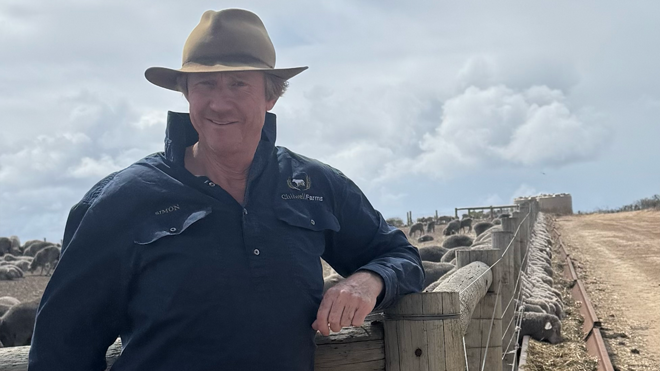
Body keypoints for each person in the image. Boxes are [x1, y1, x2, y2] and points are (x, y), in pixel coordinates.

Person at [28, 8, 424, 371]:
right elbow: (60, 349)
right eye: (205, 84)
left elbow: (398, 255)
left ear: (271, 94)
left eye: (238, 84)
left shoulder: (315, 184)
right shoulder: (120, 201)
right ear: (186, 92)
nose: (220, 103)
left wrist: (368, 280)